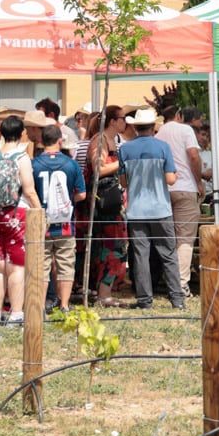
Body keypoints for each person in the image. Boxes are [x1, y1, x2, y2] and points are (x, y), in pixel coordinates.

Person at [0, 115, 42, 324]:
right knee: (16, 267)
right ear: (21, 133)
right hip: (17, 214)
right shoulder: (22, 158)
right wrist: (39, 213)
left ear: (1, 134)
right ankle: (15, 313)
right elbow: (29, 191)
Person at [119, 107, 186, 309]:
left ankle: (144, 300)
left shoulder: (125, 149)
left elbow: (123, 182)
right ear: (154, 126)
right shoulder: (163, 147)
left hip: (137, 210)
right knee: (168, 255)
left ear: (135, 127)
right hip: (160, 209)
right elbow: (170, 179)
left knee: (140, 257)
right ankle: (177, 299)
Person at [78, 106, 131, 308]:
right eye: (122, 118)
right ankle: (103, 294)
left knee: (112, 245)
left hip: (110, 201)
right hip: (103, 203)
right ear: (112, 121)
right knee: (111, 246)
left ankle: (103, 291)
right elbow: (98, 168)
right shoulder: (100, 140)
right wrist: (123, 162)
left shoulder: (111, 141)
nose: (125, 122)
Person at [32, 122, 87, 310]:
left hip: (40, 223)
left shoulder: (34, 164)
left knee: (41, 266)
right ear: (60, 140)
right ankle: (64, 305)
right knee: (65, 264)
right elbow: (81, 194)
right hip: (65, 222)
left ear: (41, 141)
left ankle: (39, 305)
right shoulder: (71, 164)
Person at [156, 105, 204, 295]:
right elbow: (193, 155)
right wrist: (199, 181)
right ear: (179, 115)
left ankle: (168, 279)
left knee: (168, 238)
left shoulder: (159, 133)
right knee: (185, 238)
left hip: (164, 188)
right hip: (185, 187)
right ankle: (181, 284)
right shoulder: (186, 130)